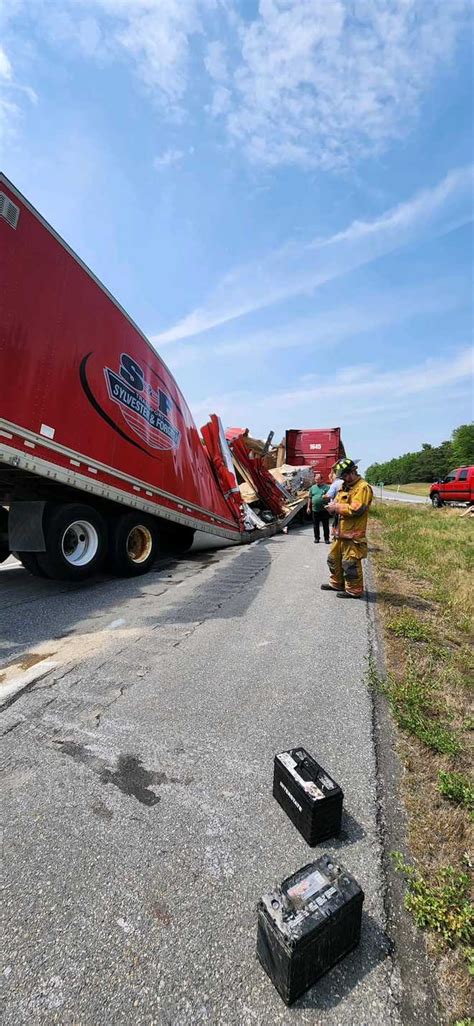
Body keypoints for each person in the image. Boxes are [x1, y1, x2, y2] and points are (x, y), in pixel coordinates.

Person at [321, 458, 373, 598]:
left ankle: (354, 590)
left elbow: (357, 509)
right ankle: (336, 583)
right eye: (341, 476)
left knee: (350, 564)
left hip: (352, 536)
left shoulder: (363, 487)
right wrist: (331, 508)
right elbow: (337, 503)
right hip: (339, 534)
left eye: (344, 476)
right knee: (333, 559)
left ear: (352, 472)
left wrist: (337, 507)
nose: (343, 479)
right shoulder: (344, 487)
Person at [307, 471, 330, 543]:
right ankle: (317, 538)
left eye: (318, 479)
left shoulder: (327, 487)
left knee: (325, 525)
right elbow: (310, 498)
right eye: (315, 479)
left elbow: (330, 497)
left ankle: (326, 539)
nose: (316, 481)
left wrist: (326, 498)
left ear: (321, 479)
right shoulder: (312, 488)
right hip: (315, 510)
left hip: (324, 510)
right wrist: (308, 507)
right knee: (315, 525)